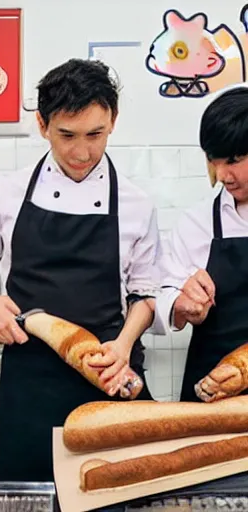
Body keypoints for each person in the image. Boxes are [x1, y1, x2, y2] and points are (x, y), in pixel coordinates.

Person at [0, 58, 160, 482]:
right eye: (67, 135)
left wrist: (124, 343)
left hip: (108, 368)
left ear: (113, 122)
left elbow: (145, 292)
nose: (82, 152)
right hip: (30, 377)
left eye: (95, 134)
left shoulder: (136, 203)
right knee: (30, 493)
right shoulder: (7, 193)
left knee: (111, 492)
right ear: (42, 125)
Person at [155, 85, 248, 402]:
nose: (223, 175)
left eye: (234, 159)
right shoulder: (197, 223)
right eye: (214, 160)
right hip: (210, 393)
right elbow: (162, 294)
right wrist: (180, 306)